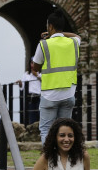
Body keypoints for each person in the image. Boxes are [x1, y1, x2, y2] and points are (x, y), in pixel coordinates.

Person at [32, 12, 81, 142]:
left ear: (51, 26)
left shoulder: (44, 44)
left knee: (46, 130)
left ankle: (49, 161)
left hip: (50, 94)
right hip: (68, 93)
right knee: (64, 131)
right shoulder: (74, 43)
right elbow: (77, 36)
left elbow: (35, 68)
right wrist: (60, 33)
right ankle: (63, 160)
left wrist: (49, 37)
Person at [17, 60, 41, 124]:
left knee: (40, 114)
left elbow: (46, 82)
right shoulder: (26, 74)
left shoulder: (41, 74)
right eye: (31, 63)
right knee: (31, 115)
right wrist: (20, 83)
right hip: (30, 96)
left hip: (39, 96)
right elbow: (22, 87)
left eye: (34, 63)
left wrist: (37, 75)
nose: (33, 65)